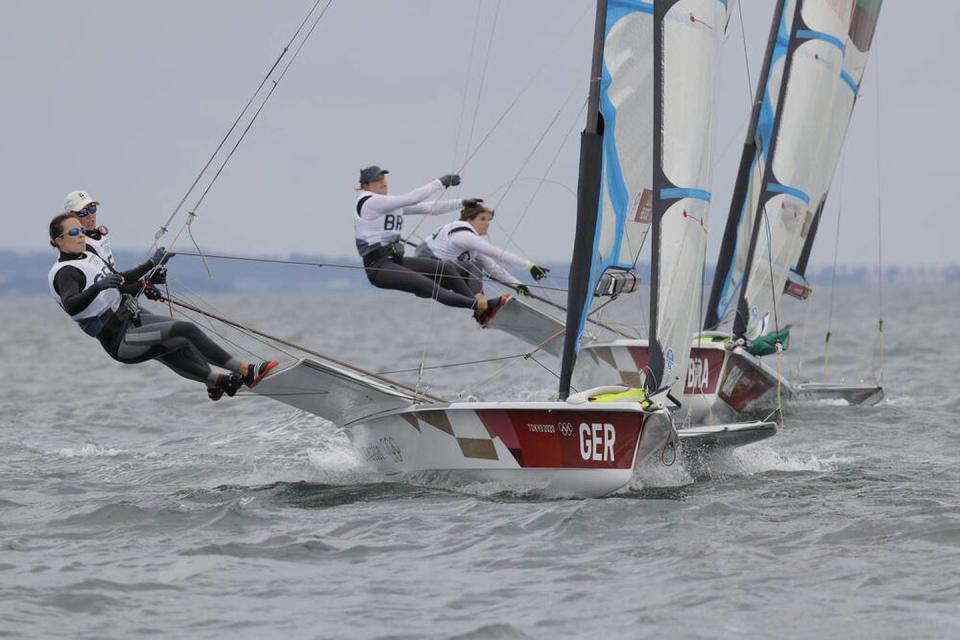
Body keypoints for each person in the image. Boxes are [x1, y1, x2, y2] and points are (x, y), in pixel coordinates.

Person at [47, 212, 278, 401]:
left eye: (81, 230)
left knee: (178, 341)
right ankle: (246, 371)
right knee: (184, 332)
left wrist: (148, 273)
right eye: (74, 232)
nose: (81, 235)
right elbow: (72, 304)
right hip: (120, 339)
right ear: (59, 241)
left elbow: (120, 282)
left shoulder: (86, 256)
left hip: (129, 319)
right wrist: (99, 287)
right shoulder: (67, 272)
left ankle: (218, 383)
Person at [354, 165, 507, 323]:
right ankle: (482, 307)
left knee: (445, 268)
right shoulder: (369, 202)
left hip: (395, 262)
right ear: (366, 186)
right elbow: (412, 198)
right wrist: (439, 183)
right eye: (376, 180)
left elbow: (429, 207)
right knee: (431, 287)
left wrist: (462, 203)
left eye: (383, 178)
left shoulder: (389, 203)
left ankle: (481, 309)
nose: (382, 182)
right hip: (378, 268)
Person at [416, 201, 550, 298]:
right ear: (469, 219)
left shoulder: (472, 246)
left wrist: (518, 285)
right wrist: (530, 266)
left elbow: (494, 269)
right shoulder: (463, 235)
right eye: (482, 219)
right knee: (474, 266)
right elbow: (496, 253)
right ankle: (479, 302)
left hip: (435, 279)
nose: (487, 223)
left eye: (489, 220)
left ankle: (481, 309)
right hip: (425, 275)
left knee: (474, 269)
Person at [64, 190, 113, 267]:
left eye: (92, 208)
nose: (90, 216)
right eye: (83, 212)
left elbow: (114, 276)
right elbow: (113, 275)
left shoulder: (99, 235)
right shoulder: (80, 247)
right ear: (70, 216)